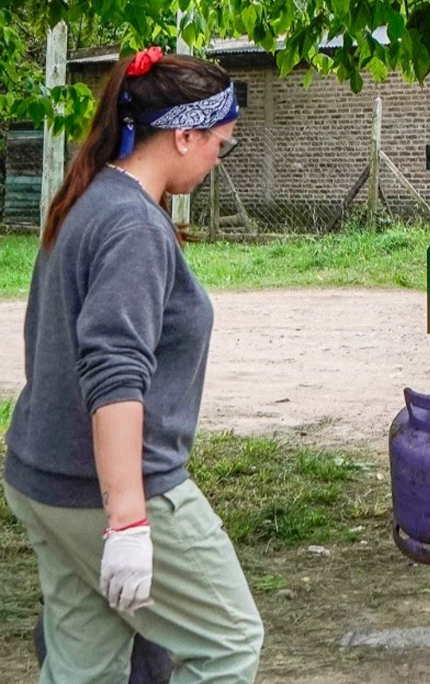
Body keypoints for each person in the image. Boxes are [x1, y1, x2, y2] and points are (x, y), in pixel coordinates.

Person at [2, 47, 263, 683]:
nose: (214, 161)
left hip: (45, 479)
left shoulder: (86, 200)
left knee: (82, 670)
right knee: (229, 642)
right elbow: (113, 371)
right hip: (113, 490)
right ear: (183, 135)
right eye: (217, 146)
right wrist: (128, 521)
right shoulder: (133, 226)